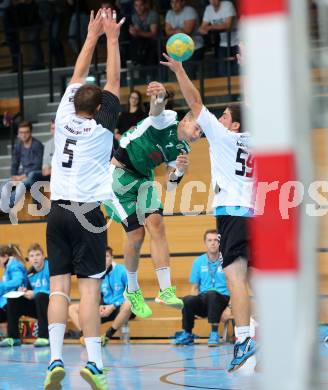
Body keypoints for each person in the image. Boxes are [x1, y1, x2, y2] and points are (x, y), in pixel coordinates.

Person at [44, 8, 123, 390]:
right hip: (88, 213)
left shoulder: (62, 113)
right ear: (99, 108)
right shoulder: (102, 127)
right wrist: (113, 36)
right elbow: (114, 79)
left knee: (58, 288)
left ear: (75, 102)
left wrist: (91, 36)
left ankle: (54, 359)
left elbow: (80, 76)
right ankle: (93, 363)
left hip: (56, 211)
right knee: (89, 289)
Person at [161, 54, 255, 371]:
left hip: (232, 215)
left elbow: (195, 101)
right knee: (258, 283)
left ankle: (244, 340)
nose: (221, 118)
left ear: (235, 124)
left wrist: (180, 70)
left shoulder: (224, 137)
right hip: (257, 215)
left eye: (225, 115)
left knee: (236, 279)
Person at [104, 80, 203, 319]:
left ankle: (165, 290)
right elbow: (155, 112)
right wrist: (159, 99)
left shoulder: (183, 150)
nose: (199, 136)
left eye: (202, 134)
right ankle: (133, 290)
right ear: (186, 120)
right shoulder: (168, 118)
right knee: (136, 235)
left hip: (143, 178)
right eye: (198, 130)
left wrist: (179, 172)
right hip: (117, 176)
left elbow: (170, 185)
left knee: (157, 223)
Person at [173, 229, 231, 346]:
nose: (213, 243)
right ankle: (188, 333)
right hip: (205, 300)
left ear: (220, 243)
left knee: (212, 294)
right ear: (205, 243)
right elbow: (194, 288)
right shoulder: (198, 261)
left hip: (223, 300)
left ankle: (214, 334)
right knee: (187, 299)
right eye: (209, 240)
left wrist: (229, 308)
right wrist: (192, 306)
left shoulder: (227, 260)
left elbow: (234, 286)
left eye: (216, 240)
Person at [68, 247, 135, 346]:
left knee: (128, 304)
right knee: (72, 308)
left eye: (107, 256)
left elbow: (132, 294)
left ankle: (107, 336)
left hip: (121, 308)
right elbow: (95, 295)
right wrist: (98, 306)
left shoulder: (122, 271)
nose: (104, 259)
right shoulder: (96, 274)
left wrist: (113, 306)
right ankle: (86, 336)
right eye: (101, 257)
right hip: (104, 308)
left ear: (112, 257)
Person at [0, 243, 50, 348]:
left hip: (51, 307)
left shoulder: (50, 267)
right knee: (13, 298)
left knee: (41, 296)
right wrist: (23, 291)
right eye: (32, 256)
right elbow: (28, 290)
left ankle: (44, 337)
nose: (35, 258)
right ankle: (13, 338)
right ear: (29, 259)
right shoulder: (30, 273)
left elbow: (56, 290)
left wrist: (35, 293)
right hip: (38, 308)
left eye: (38, 255)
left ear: (43, 256)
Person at [0, 120, 44, 211]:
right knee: (3, 185)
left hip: (35, 175)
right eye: (21, 133)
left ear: (30, 132)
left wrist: (22, 177)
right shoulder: (18, 146)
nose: (24, 135)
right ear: (18, 134)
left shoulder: (37, 145)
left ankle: (7, 205)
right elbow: (14, 164)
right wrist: (14, 176)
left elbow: (38, 166)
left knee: (24, 183)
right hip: (22, 175)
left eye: (26, 132)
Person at [198, 0, 239, 76]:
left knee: (237, 71)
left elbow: (227, 25)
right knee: (222, 72)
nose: (213, 1)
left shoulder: (227, 4)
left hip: (237, 42)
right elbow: (202, 28)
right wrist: (205, 29)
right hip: (223, 43)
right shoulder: (208, 9)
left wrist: (209, 28)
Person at [0, 244, 28, 332]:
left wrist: (1, 285)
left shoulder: (14, 265)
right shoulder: (8, 267)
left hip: (11, 304)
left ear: (5, 256)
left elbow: (18, 281)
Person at [129, 0, 159, 66]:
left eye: (141, 5)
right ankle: (135, 64)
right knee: (134, 41)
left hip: (154, 41)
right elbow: (137, 31)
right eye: (136, 5)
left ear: (146, 5)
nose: (138, 8)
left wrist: (138, 33)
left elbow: (153, 34)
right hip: (142, 41)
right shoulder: (134, 16)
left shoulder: (152, 14)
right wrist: (133, 31)